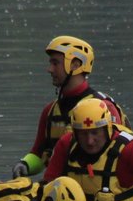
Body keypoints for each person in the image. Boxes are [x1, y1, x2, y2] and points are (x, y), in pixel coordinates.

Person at [10, 36, 126, 180]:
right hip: (63, 193)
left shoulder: (104, 108)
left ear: (75, 65)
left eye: (55, 63)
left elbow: (121, 156)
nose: (49, 69)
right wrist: (25, 165)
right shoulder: (50, 111)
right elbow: (39, 154)